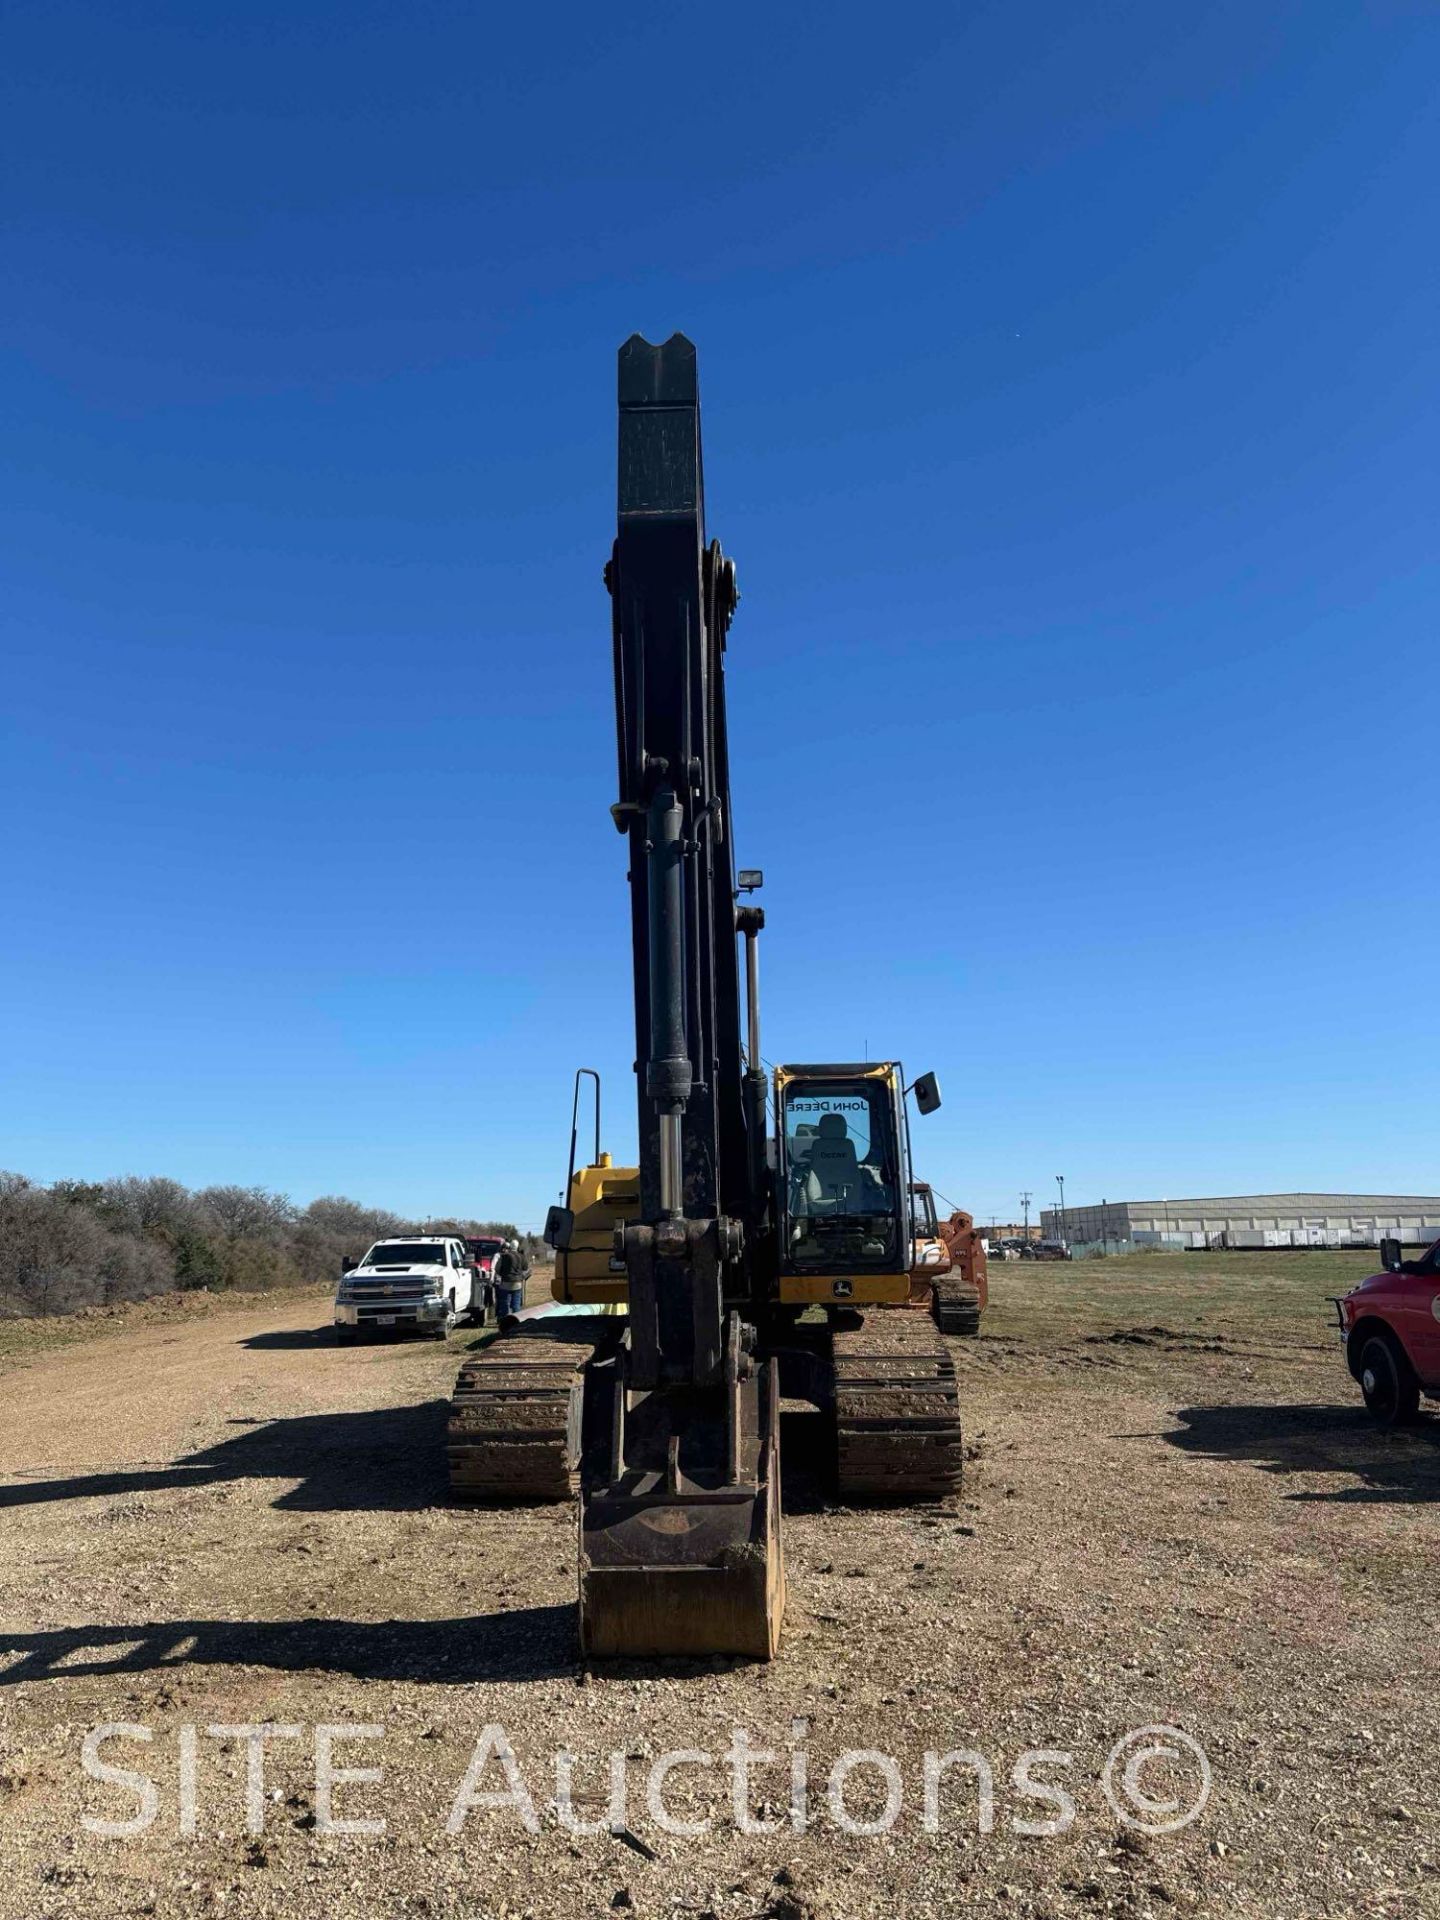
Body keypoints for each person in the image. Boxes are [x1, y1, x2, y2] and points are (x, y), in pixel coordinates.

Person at [495, 1239, 525, 1321]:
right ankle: (517, 1320)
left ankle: (503, 1320)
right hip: (517, 1283)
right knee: (516, 1303)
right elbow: (526, 1268)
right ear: (517, 1247)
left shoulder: (504, 1256)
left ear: (510, 1246)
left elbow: (497, 1268)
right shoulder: (521, 1256)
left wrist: (502, 1274)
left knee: (504, 1303)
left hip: (505, 1282)